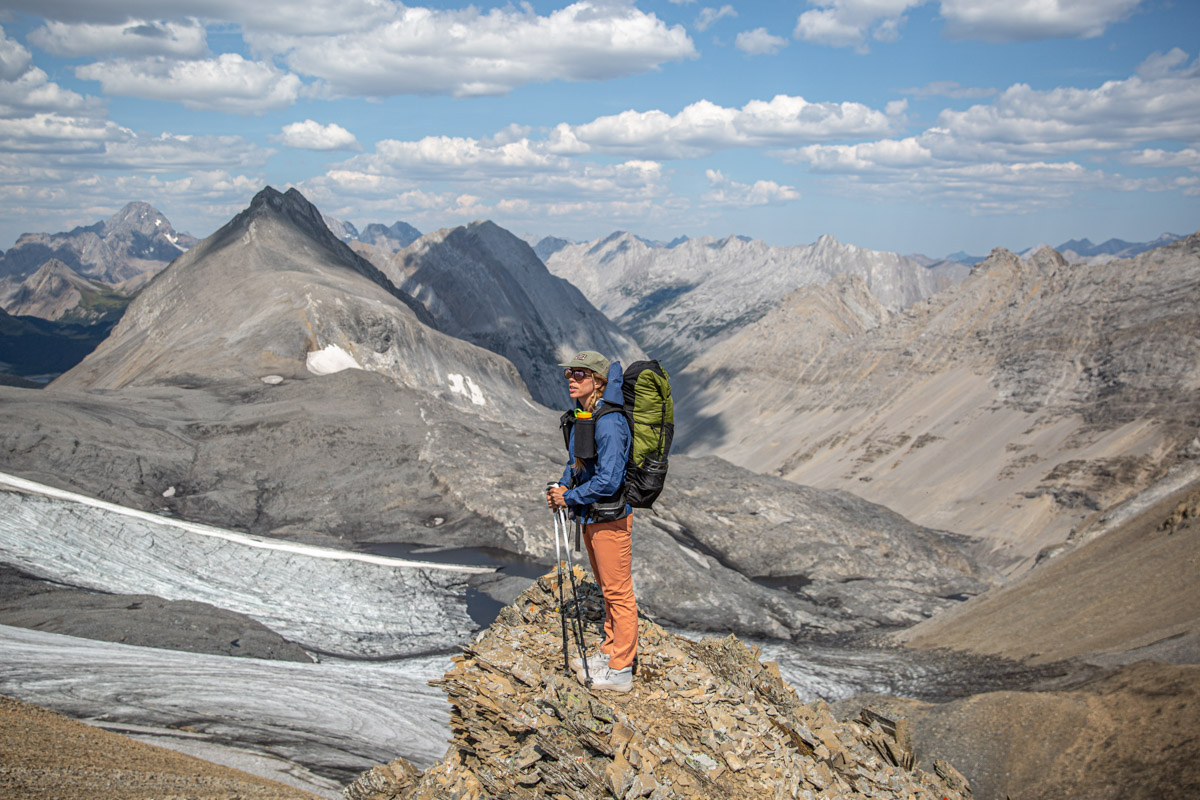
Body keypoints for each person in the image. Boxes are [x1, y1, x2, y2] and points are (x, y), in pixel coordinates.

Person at [546, 350, 637, 693]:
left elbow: (610, 480)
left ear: (598, 381)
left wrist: (568, 498)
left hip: (610, 520)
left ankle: (621, 670)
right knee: (608, 591)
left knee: (619, 594)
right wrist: (563, 484)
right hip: (593, 518)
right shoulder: (585, 415)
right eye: (570, 373)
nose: (571, 378)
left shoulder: (610, 422)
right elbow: (578, 464)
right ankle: (611, 650)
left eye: (580, 374)